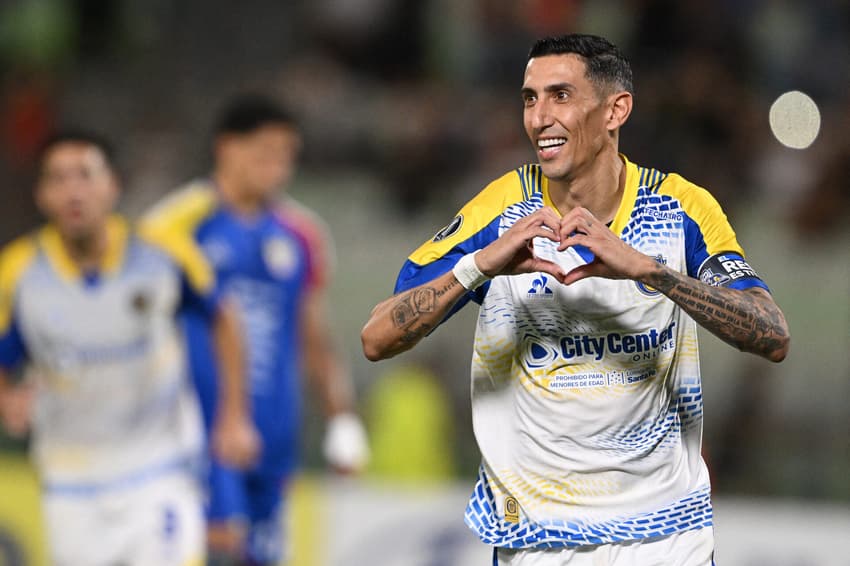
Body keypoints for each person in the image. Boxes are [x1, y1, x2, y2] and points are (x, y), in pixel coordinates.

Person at [361, 33, 790, 565]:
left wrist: (653, 273)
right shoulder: (500, 210)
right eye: (529, 98)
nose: (539, 117)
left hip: (666, 536)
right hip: (539, 538)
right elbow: (377, 337)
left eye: (560, 95)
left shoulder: (681, 207)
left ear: (616, 110)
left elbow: (772, 334)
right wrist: (481, 265)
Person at [0, 130, 257, 566]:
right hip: (71, 481)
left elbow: (224, 317)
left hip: (160, 470)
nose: (73, 190)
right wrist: (8, 399)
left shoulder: (162, 253)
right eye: (58, 179)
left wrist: (235, 415)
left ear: (113, 185)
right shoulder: (19, 273)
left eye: (85, 175)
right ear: (42, 194)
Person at [142, 94, 369, 566]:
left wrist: (341, 418)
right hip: (199, 434)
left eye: (287, 156)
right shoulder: (182, 224)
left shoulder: (301, 234)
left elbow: (314, 336)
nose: (278, 168)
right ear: (227, 148)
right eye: (265, 153)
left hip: (274, 437)